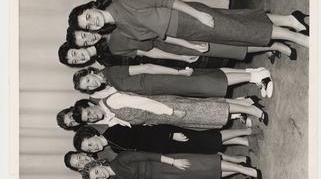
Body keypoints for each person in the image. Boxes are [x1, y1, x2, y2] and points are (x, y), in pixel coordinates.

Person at [68, 0, 309, 50]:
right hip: (185, 30)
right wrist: (191, 45)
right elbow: (159, 36)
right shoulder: (122, 28)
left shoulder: (123, 1)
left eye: (88, 16)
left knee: (240, 30)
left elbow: (167, 0)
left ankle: (296, 37)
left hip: (186, 16)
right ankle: (290, 20)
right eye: (88, 26)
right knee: (236, 22)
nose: (93, 22)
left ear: (92, 7)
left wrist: (197, 14)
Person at [63, 29, 296, 67]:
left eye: (77, 47)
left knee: (218, 45)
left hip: (165, 41)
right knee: (216, 57)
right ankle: (267, 46)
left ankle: (269, 42)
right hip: (162, 59)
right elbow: (141, 60)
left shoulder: (109, 30)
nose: (82, 49)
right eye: (76, 56)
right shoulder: (105, 62)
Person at [71, 89, 268, 131]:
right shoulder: (109, 115)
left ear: (90, 104)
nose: (93, 116)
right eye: (89, 119)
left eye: (89, 112)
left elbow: (145, 103)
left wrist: (172, 112)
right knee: (208, 113)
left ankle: (255, 111)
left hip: (166, 107)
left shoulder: (113, 100)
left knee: (209, 109)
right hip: (164, 117)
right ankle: (246, 106)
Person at [73, 64, 273, 100]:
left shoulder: (112, 72)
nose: (91, 85)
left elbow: (146, 68)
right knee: (208, 76)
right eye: (88, 87)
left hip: (163, 78)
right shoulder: (110, 81)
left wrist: (177, 72)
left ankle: (257, 77)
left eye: (88, 80)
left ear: (90, 72)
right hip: (163, 85)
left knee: (208, 84)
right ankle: (252, 72)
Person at [73, 125, 261, 162]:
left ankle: (248, 131)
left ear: (92, 134)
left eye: (90, 144)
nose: (93, 148)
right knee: (207, 146)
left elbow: (146, 132)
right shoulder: (113, 147)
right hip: (168, 148)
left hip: (168, 136)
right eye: (89, 150)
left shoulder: (114, 131)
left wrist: (172, 135)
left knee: (210, 140)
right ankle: (245, 141)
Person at [80, 151, 262, 179]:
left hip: (165, 164)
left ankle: (244, 170)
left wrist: (173, 162)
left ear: (98, 164)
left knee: (205, 165)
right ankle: (240, 170)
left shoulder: (120, 159)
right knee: (205, 177)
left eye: (96, 172)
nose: (99, 175)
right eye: (96, 178)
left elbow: (149, 155)